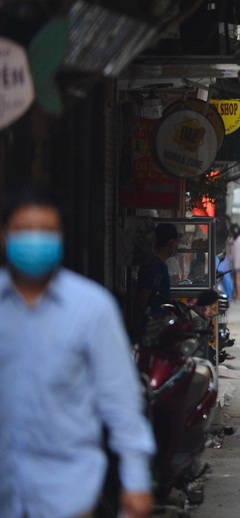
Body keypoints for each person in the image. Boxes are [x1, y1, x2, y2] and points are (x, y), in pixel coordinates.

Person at [0, 187, 156, 518]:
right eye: (25, 231)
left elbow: (120, 403)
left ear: (61, 238)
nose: (35, 240)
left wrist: (136, 481)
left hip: (67, 493)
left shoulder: (92, 308)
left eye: (46, 232)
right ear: (4, 237)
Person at [136, 222, 180, 316]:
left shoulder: (153, 263)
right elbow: (145, 295)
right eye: (176, 242)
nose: (177, 246)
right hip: (154, 323)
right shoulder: (158, 267)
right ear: (171, 243)